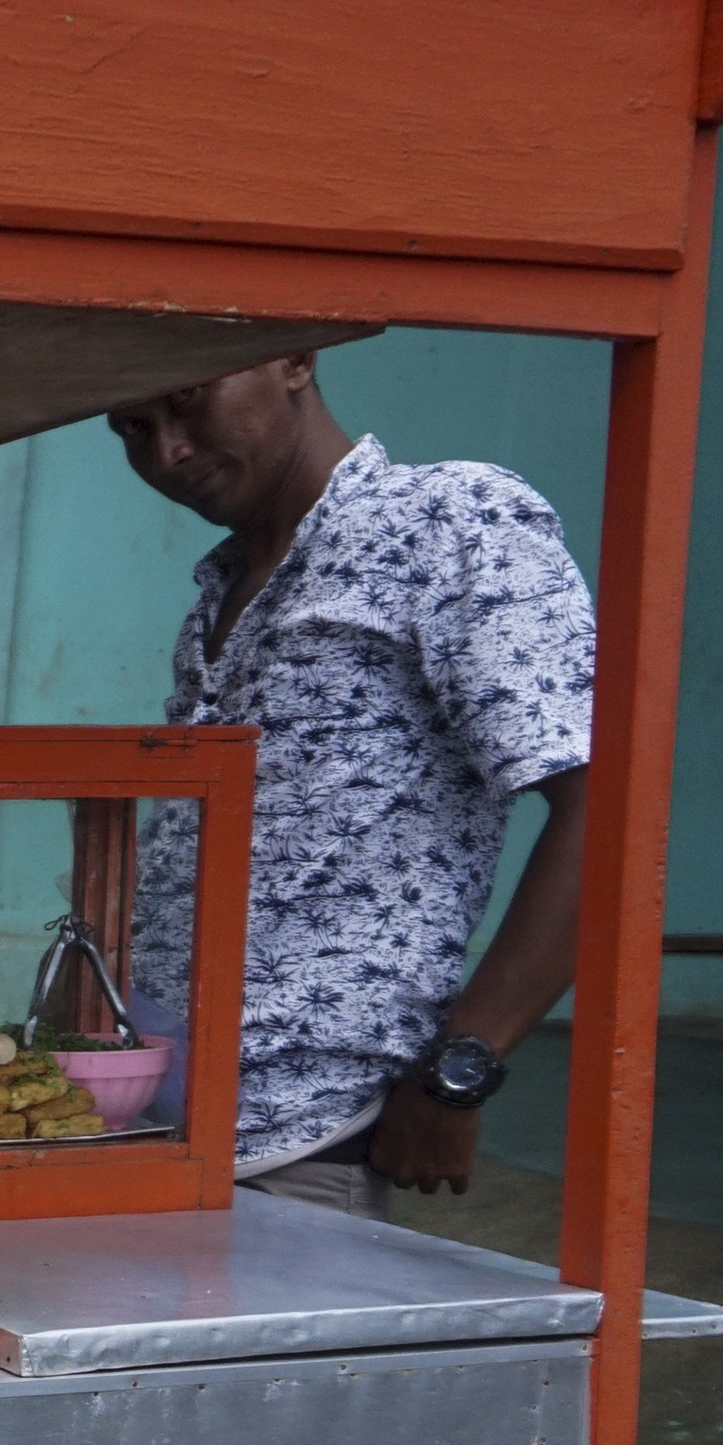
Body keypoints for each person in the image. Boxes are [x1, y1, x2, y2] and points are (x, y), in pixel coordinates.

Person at [105, 355, 592, 1219]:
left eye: (186, 400)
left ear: (294, 359)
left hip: (308, 1138)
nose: (170, 453)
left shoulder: (447, 520)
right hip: (162, 1124)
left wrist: (460, 1069)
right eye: (133, 430)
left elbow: (610, 811)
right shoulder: (220, 589)